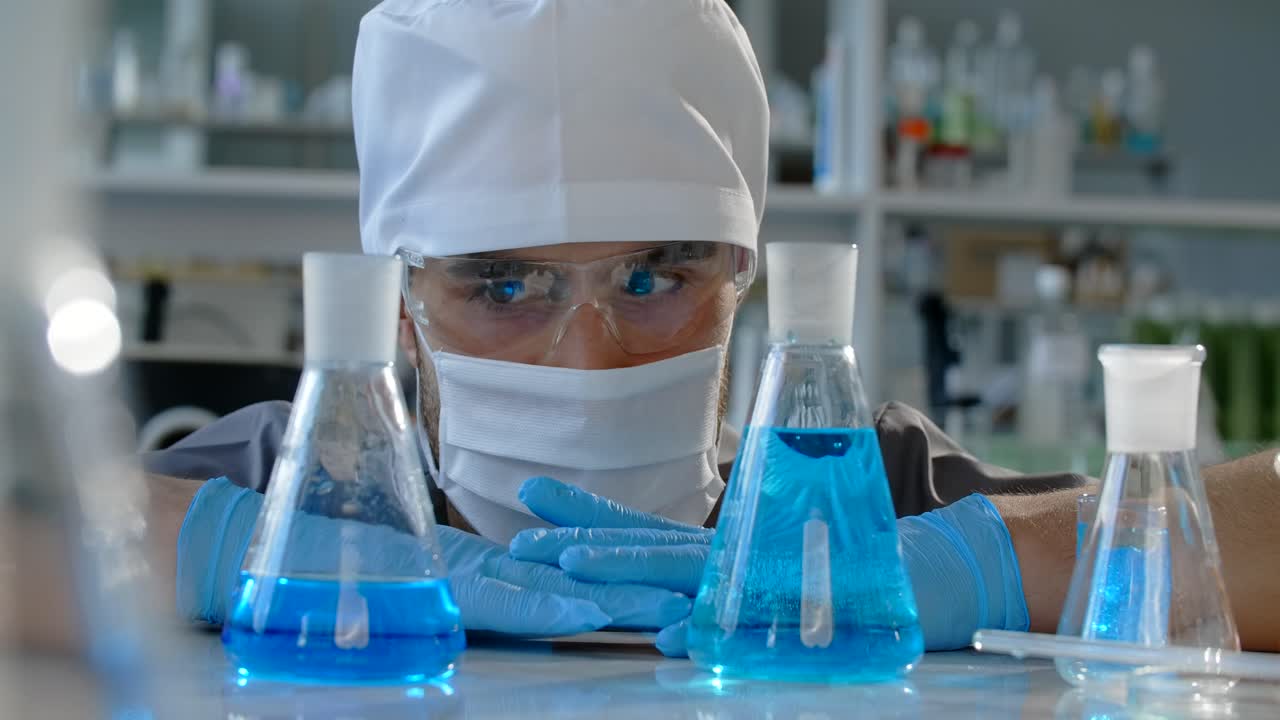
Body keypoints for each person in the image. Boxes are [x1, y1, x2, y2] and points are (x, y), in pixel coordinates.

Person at [136, 0, 1279, 657]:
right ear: (402, 305)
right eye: (501, 286)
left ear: (743, 282)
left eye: (652, 277)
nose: (584, 356)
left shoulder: (857, 491)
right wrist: (232, 548)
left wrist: (989, 560)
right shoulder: (286, 489)